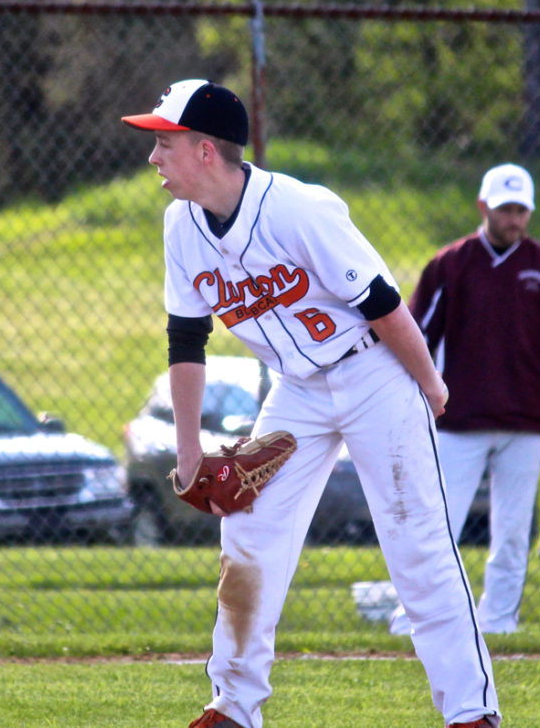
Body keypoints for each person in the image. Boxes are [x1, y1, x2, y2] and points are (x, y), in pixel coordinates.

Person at [121, 79, 500, 728]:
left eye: (165, 141)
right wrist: (189, 453)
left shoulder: (298, 209)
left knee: (417, 545)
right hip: (295, 391)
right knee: (247, 534)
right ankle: (233, 708)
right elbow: (186, 340)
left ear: (207, 150)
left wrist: (431, 388)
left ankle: (470, 713)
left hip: (372, 373)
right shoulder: (180, 225)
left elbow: (383, 304)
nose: (153, 155)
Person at [390, 163, 540, 635]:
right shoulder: (449, 265)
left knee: (511, 533)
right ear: (483, 206)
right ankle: (422, 615)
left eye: (522, 210)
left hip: (525, 423)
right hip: (457, 421)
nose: (514, 220)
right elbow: (410, 336)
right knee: (437, 525)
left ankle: (500, 619)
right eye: (506, 209)